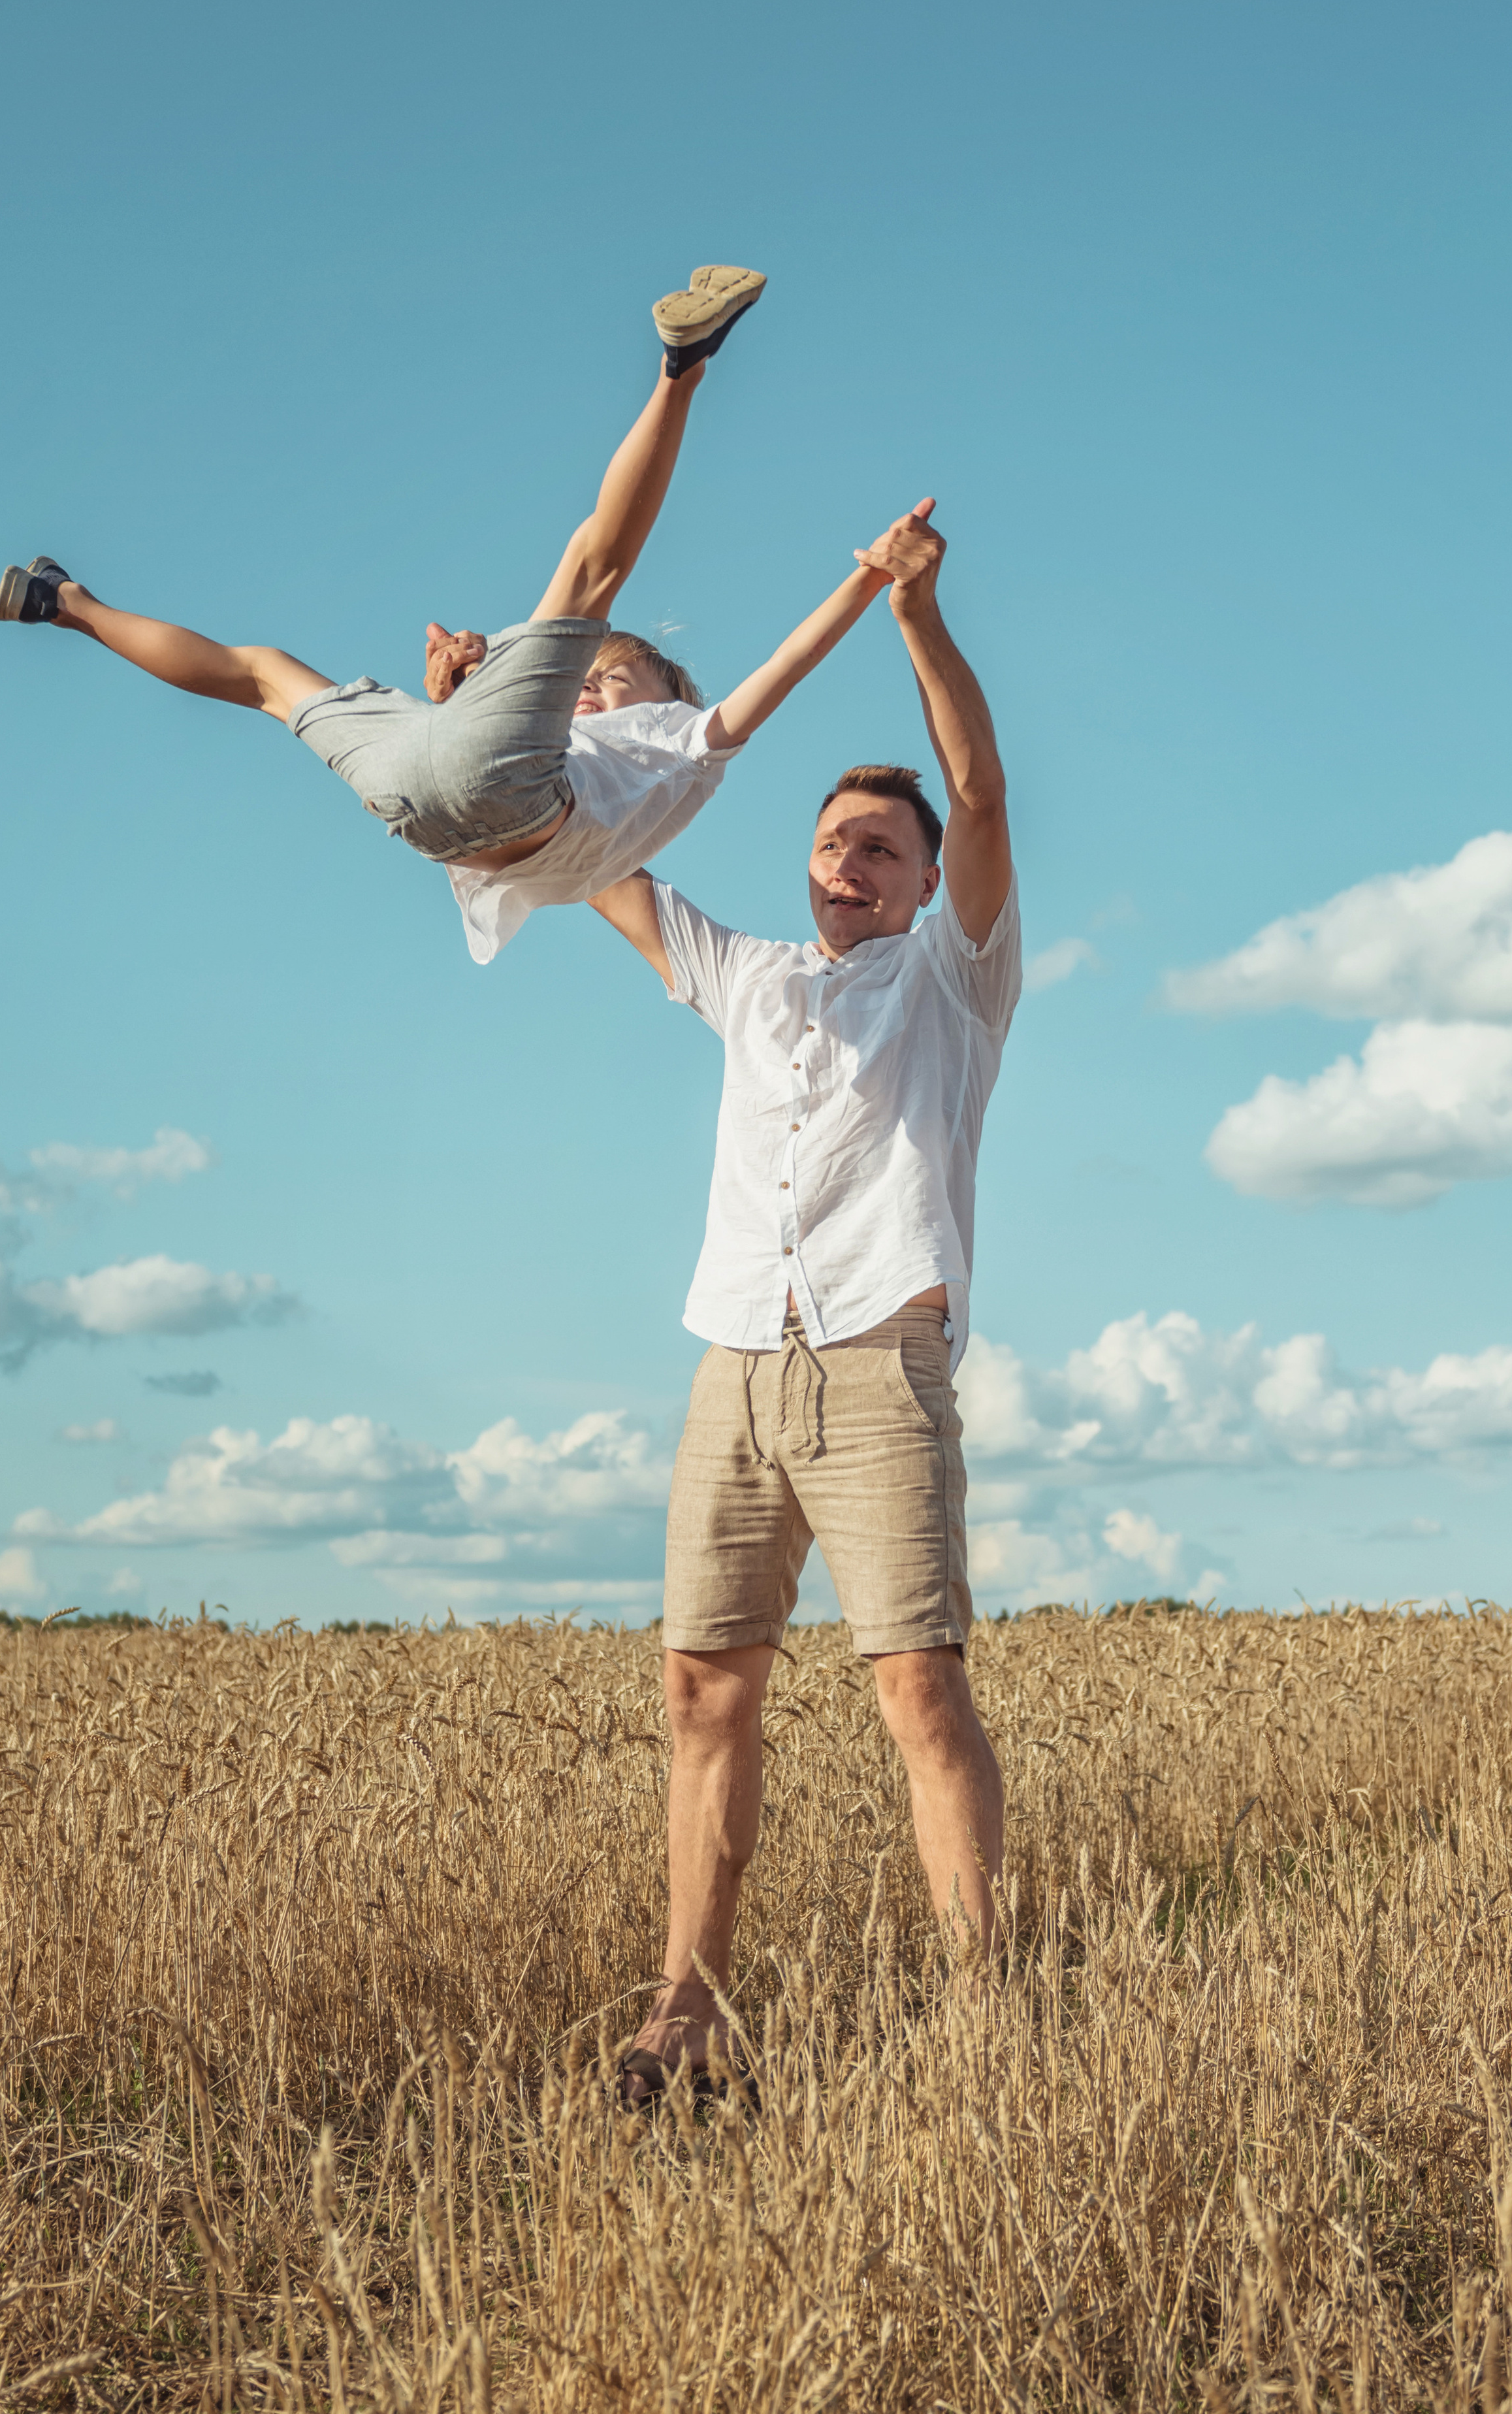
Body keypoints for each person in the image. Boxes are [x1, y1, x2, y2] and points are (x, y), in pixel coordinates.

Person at [587, 500, 1021, 2104]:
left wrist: (913, 616)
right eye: (833, 841)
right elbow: (588, 857)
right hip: (733, 1363)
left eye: (880, 849)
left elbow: (980, 792)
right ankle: (683, 2015)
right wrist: (503, 705)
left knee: (916, 1686)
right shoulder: (749, 974)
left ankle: (984, 2029)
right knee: (701, 1685)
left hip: (875, 1358)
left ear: (923, 882)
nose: (849, 862)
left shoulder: (955, 982)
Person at [0, 266, 879, 962]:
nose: (589, 688)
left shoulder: (688, 744)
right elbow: (464, 759)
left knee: (590, 570)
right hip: (436, 798)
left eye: (615, 679)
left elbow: (786, 667)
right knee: (263, 674)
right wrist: (454, 692)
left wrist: (871, 582)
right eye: (589, 676)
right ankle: (66, 603)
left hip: (506, 802)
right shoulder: (572, 744)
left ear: (670, 700)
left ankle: (682, 369)